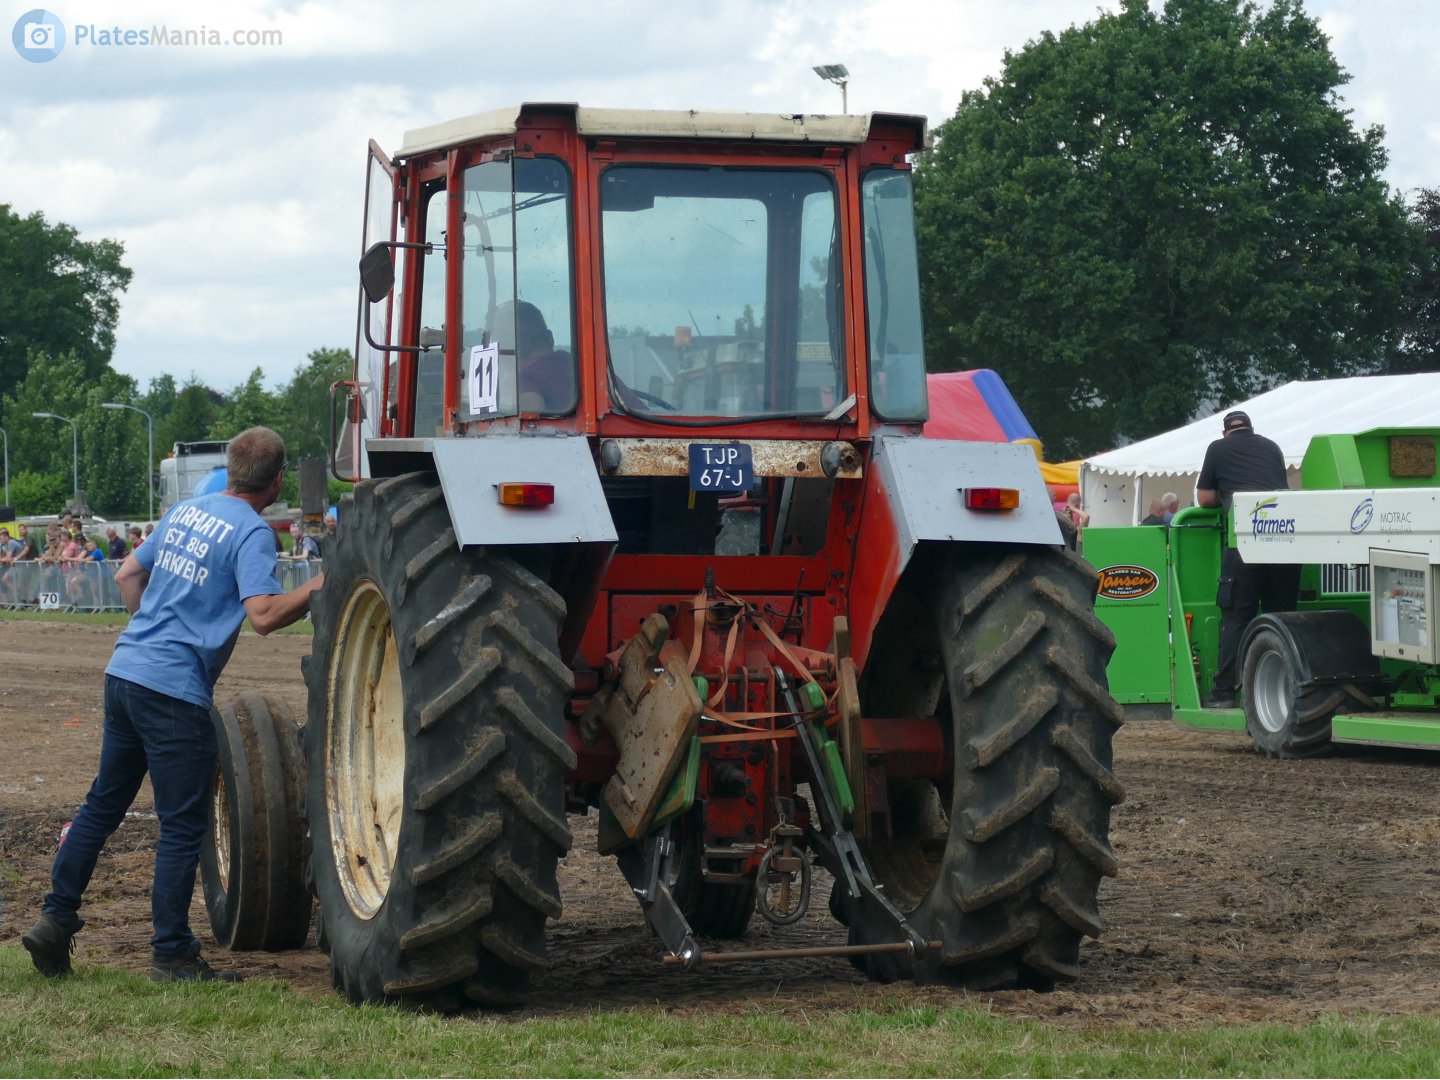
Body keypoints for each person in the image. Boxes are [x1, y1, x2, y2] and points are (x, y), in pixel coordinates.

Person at [22, 426, 325, 983]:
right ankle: (172, 953)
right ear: (277, 480)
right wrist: (317, 587)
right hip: (173, 693)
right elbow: (262, 616)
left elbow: (127, 573)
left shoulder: (187, 511)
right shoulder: (253, 534)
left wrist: (150, 633)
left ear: (232, 470)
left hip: (126, 672)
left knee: (100, 807)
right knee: (183, 826)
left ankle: (54, 918)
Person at [1196, 410, 1299, 708]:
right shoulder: (1272, 447)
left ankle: (1226, 692)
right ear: (1251, 428)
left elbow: (1204, 499)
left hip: (1246, 540)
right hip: (1285, 539)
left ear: (1226, 431)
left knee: (1237, 616)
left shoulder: (1218, 448)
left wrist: (1225, 493)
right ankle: (1289, 690)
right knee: (1282, 617)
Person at [493, 300, 576, 413]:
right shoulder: (575, 365)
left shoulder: (527, 381)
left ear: (508, 348)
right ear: (550, 337)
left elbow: (529, 426)